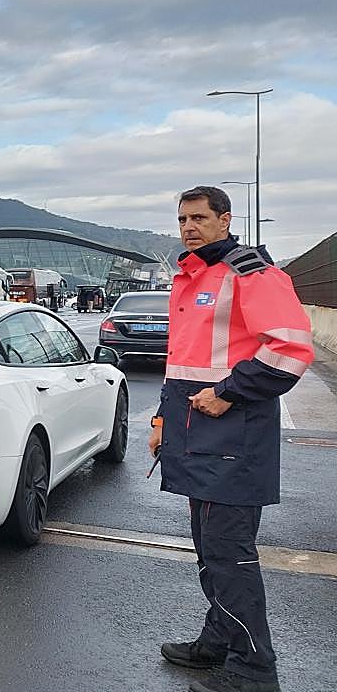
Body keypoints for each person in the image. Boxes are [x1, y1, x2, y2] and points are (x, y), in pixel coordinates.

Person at [149, 186, 314, 692]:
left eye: (199, 218)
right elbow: (184, 360)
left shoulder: (250, 273)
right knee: (210, 548)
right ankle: (217, 642)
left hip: (232, 437)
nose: (188, 227)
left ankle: (253, 670)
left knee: (228, 553)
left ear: (225, 221)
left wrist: (228, 393)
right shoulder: (193, 275)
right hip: (196, 432)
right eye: (181, 219)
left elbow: (291, 349)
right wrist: (161, 420)